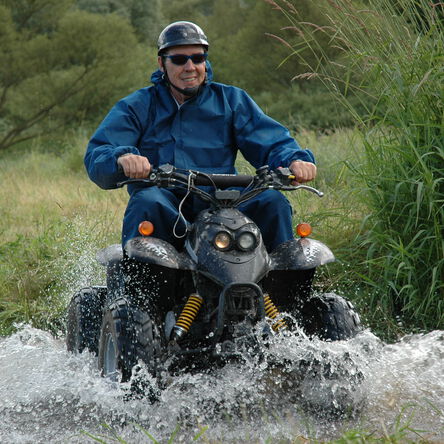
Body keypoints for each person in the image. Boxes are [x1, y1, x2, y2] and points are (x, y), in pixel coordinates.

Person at [84, 21, 316, 253]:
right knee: (147, 201)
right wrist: (122, 159)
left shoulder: (231, 100)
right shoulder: (137, 105)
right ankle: (140, 289)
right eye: (178, 59)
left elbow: (271, 141)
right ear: (161, 63)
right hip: (166, 202)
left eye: (197, 58)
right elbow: (99, 154)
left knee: (272, 202)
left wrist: (294, 161)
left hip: (226, 201)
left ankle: (283, 287)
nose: (189, 66)